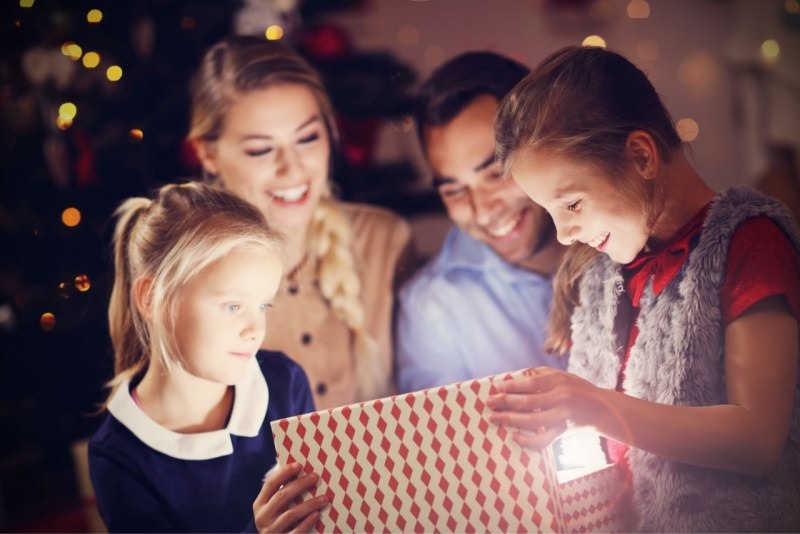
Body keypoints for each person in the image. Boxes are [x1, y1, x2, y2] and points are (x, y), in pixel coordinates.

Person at [488, 45, 800, 532]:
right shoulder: (599, 279)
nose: (564, 234)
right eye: (549, 213)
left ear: (640, 156)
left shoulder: (749, 242)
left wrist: (594, 407)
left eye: (570, 204)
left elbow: (758, 440)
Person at [188, 35, 413, 409]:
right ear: (208, 153)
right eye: (261, 149)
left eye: (307, 138)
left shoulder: (385, 239)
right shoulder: (183, 276)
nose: (291, 169)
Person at [88, 182, 327, 532]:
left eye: (262, 306)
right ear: (153, 299)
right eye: (233, 306)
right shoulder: (118, 456)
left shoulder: (285, 382)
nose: (254, 329)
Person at [395, 52, 566, 393]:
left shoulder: (629, 245)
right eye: (454, 190)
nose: (484, 211)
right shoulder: (432, 306)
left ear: (550, 138)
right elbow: (446, 442)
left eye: (495, 172)